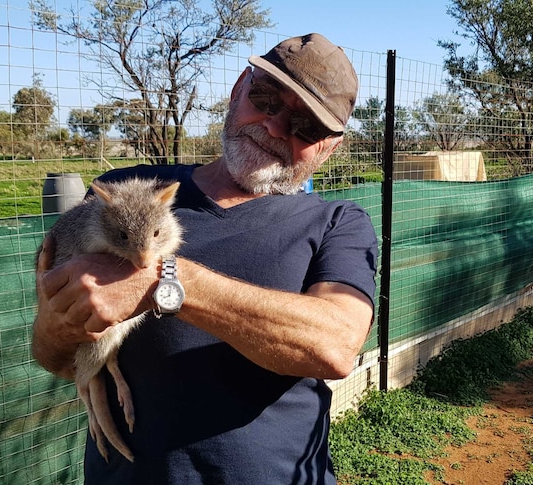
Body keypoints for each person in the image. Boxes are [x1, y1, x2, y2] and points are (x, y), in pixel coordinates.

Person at [32, 33, 378, 484]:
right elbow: (49, 352)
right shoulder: (125, 195)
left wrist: (166, 280)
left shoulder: (338, 221)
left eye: (307, 128)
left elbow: (335, 346)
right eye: (266, 99)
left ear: (329, 146)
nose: (275, 128)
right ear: (238, 91)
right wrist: (62, 331)